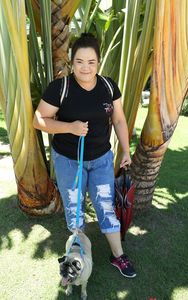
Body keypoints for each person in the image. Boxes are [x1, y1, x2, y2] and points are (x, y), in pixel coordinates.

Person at [33, 33, 136, 278]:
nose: (85, 67)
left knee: (105, 206)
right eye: (80, 61)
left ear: (98, 62)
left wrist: (125, 149)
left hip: (101, 159)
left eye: (91, 62)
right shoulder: (61, 87)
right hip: (69, 161)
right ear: (71, 62)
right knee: (74, 209)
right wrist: (69, 127)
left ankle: (118, 255)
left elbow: (119, 119)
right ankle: (77, 257)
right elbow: (38, 120)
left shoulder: (108, 86)